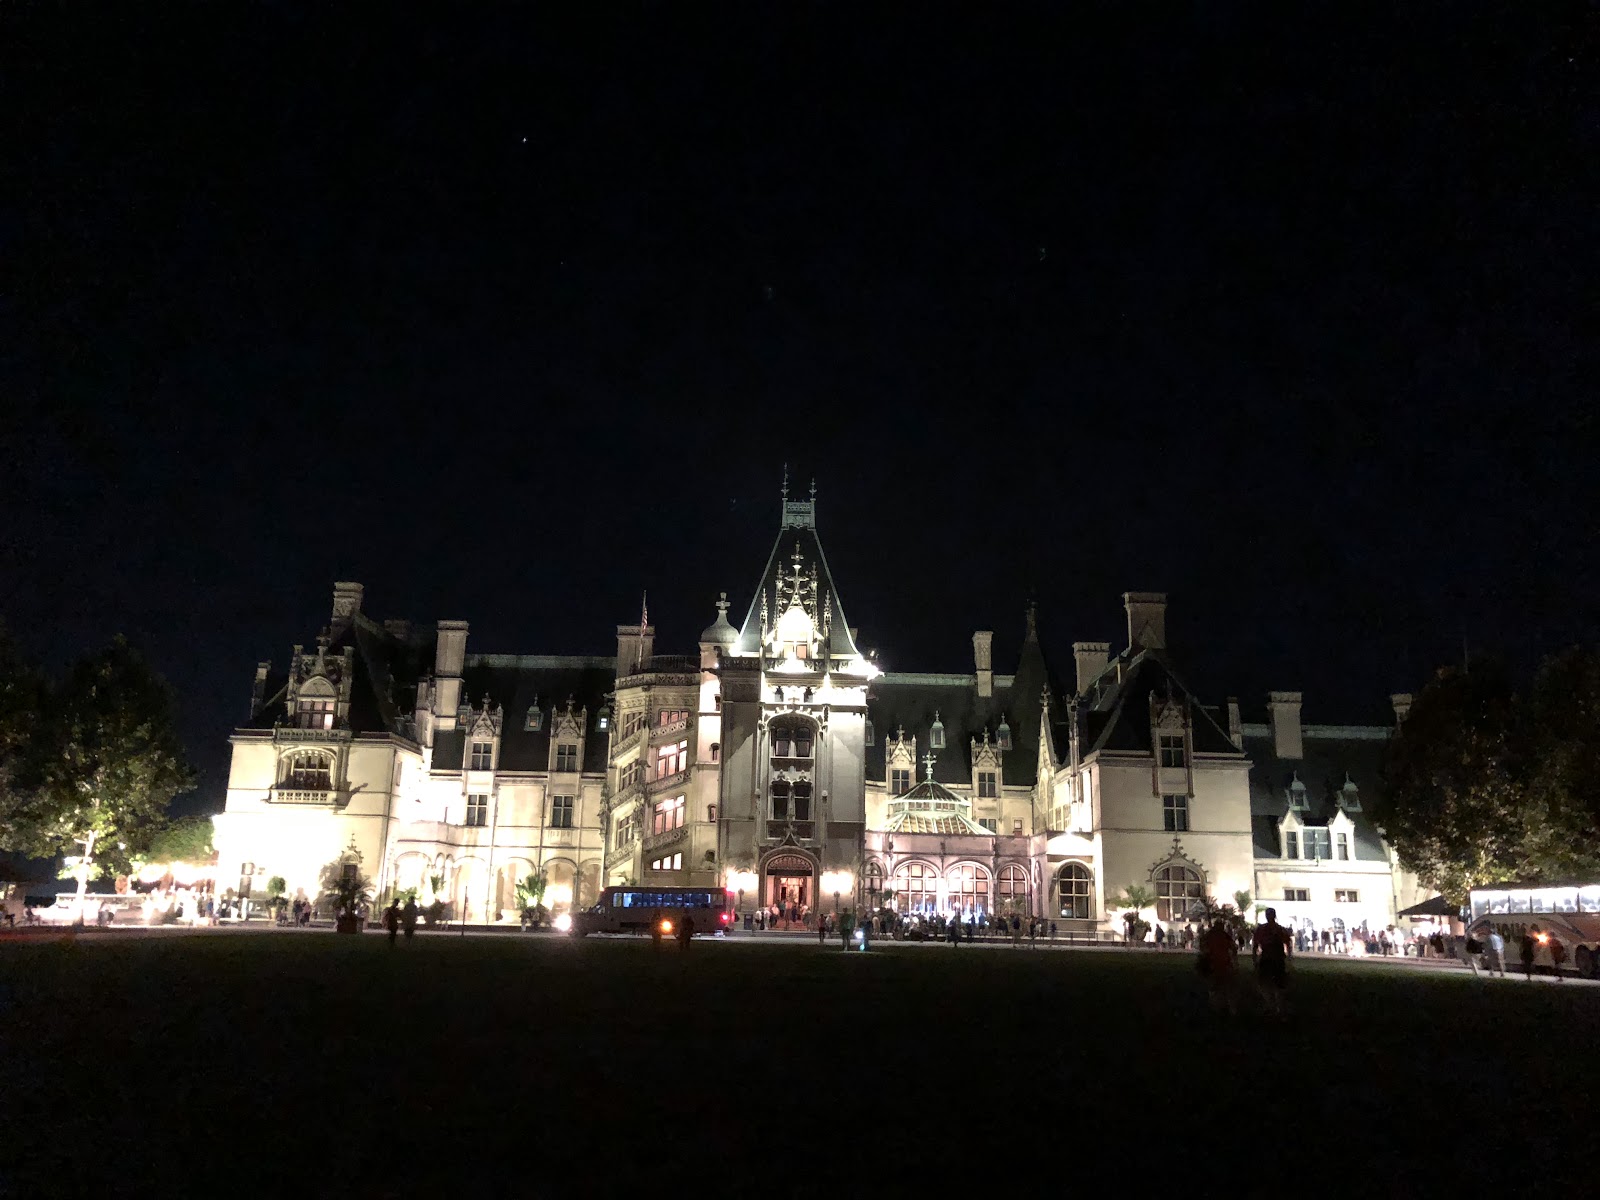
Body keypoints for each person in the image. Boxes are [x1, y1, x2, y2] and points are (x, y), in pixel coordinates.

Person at [1252, 907, 1292, 1016]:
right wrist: (1289, 958)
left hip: (1267, 959)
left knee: (1266, 984)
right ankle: (1279, 1008)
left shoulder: (1262, 929)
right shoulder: (1280, 929)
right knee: (1278, 985)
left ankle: (1272, 1006)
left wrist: (1254, 959)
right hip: (1277, 959)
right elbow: (1288, 944)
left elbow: (1255, 945)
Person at [1199, 918, 1238, 1013]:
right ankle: (1224, 1006)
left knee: (1216, 986)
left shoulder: (1210, 935)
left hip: (1215, 963)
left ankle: (1217, 1006)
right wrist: (1234, 960)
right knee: (1224, 986)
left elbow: (1202, 946)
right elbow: (1233, 948)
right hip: (1221, 963)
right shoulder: (1224, 935)